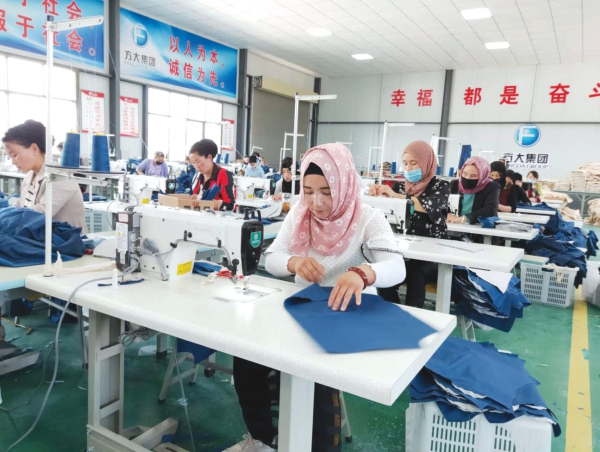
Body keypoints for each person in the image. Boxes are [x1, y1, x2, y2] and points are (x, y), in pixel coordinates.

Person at [226, 143, 405, 452]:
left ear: (344, 185)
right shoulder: (301, 215)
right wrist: (294, 263)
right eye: (308, 191)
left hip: (348, 313)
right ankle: (264, 440)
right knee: (247, 356)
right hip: (305, 308)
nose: (316, 202)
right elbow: (273, 257)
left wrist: (364, 273)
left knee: (317, 372)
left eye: (326, 191)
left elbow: (396, 267)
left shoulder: (368, 218)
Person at [368, 140, 450, 307]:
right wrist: (378, 196)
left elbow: (430, 206)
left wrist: (394, 196)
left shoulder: (441, 186)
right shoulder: (401, 187)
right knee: (384, 270)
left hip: (433, 254)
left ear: (426, 162)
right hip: (406, 249)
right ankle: (392, 311)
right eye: (405, 163)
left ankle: (413, 314)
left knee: (415, 273)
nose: (409, 168)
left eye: (414, 163)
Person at [2, 120, 86, 230]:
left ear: (34, 149)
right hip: (38, 236)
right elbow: (20, 205)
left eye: (14, 155)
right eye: (10, 157)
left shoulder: (61, 177)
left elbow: (38, 214)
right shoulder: (30, 176)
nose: (13, 162)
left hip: (64, 239)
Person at [448, 156, 499, 224]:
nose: (467, 178)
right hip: (454, 227)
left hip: (480, 227)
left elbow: (490, 210)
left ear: (482, 176)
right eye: (465, 173)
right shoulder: (454, 185)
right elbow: (443, 205)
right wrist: (448, 214)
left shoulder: (491, 187)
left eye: (473, 176)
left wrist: (463, 219)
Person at [189, 139, 235, 211]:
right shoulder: (196, 177)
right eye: (193, 163)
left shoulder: (224, 175)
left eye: (198, 162)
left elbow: (230, 205)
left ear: (209, 157)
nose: (196, 166)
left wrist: (207, 203)